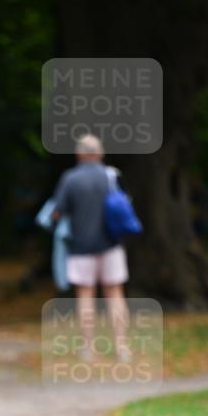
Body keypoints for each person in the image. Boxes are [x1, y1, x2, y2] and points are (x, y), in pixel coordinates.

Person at [52, 134, 131, 361]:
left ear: (79, 154)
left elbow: (57, 212)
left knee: (85, 296)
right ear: (100, 153)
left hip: (80, 247)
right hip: (111, 245)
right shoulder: (112, 176)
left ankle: (88, 349)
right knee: (115, 294)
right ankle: (122, 347)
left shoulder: (71, 178)